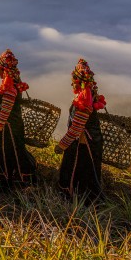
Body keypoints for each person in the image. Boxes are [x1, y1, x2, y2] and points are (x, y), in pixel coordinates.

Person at [55, 58, 107, 201]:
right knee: (86, 171)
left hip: (83, 144)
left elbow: (77, 126)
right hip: (84, 142)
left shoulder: (84, 97)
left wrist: (62, 144)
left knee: (80, 170)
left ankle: (78, 198)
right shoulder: (87, 93)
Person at [0, 49, 38, 191]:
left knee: (4, 153)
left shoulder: (9, 85)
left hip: (7, 129)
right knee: (16, 152)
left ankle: (4, 183)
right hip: (13, 127)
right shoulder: (13, 82)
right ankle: (21, 181)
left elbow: (6, 109)